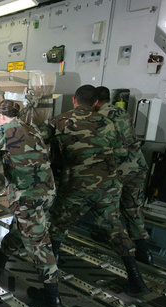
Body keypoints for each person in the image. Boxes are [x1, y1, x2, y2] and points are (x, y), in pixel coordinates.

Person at [41, 84, 148, 296]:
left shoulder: (60, 121)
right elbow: (119, 153)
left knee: (57, 227)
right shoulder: (108, 122)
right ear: (95, 103)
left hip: (77, 186)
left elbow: (38, 142)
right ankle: (137, 280)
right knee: (116, 229)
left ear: (74, 100)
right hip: (108, 186)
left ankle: (50, 282)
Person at [0, 99, 61, 307]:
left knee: (38, 243)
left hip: (28, 197)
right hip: (47, 192)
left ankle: (52, 296)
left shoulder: (4, 131)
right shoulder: (33, 128)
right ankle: (2, 256)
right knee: (22, 228)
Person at [93, 86, 153, 264]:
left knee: (109, 211)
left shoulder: (100, 117)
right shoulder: (122, 112)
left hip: (119, 170)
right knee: (133, 208)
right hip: (138, 167)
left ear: (95, 102)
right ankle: (144, 251)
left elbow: (106, 146)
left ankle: (123, 250)